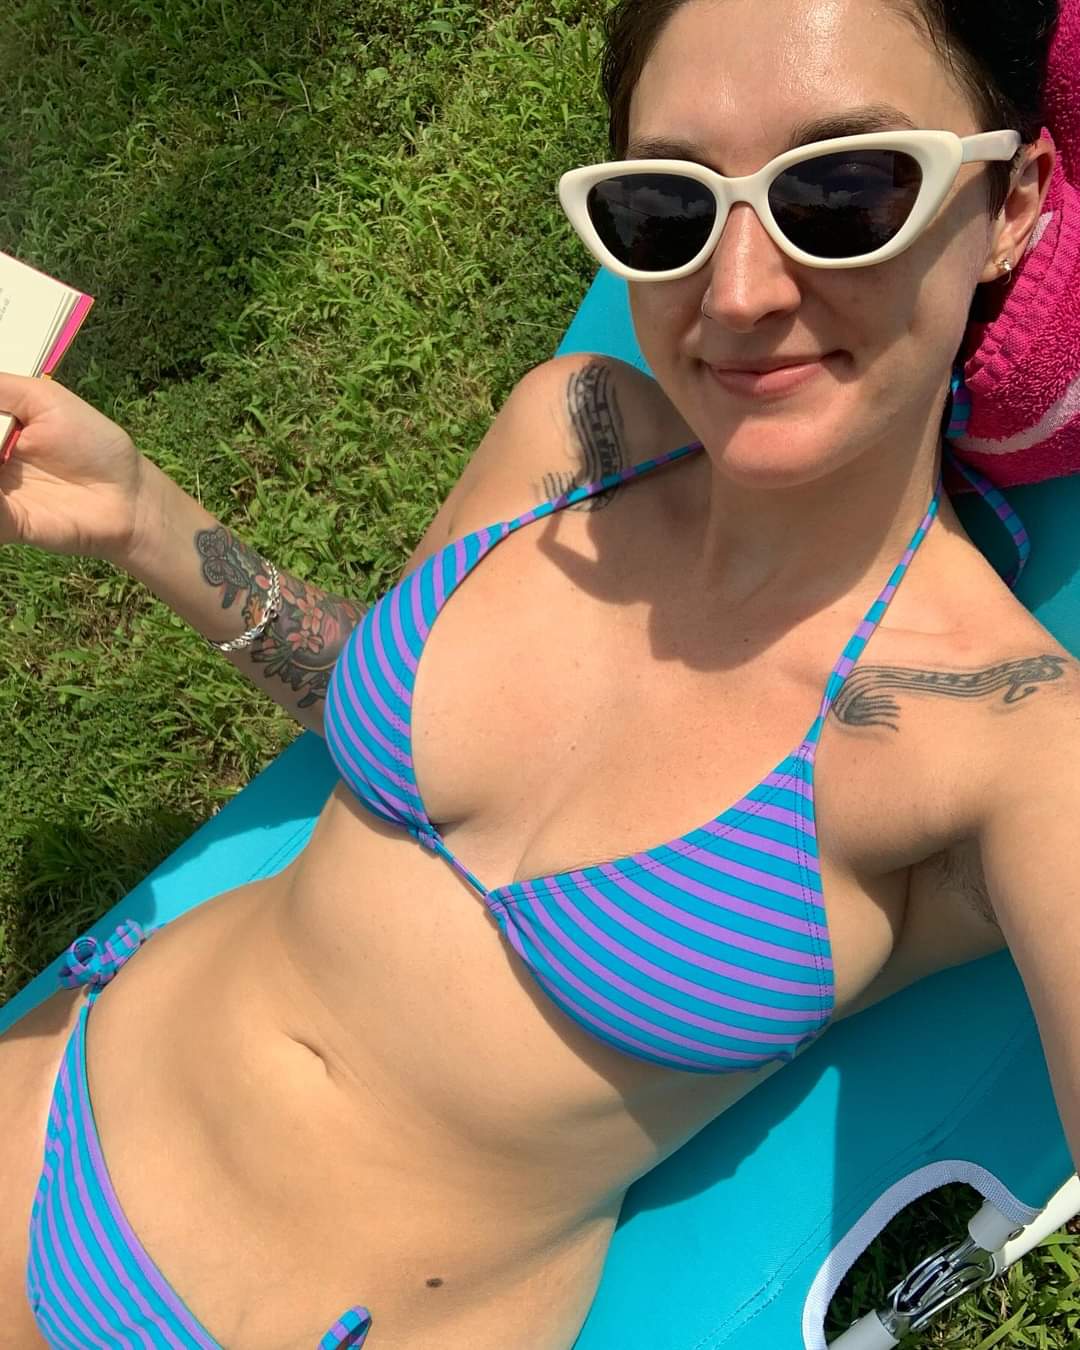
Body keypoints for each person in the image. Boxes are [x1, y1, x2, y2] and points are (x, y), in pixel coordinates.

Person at [1, 0, 1078, 1346]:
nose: (740, 291)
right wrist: (141, 517)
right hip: (57, 1076)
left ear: (1013, 202)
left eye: (845, 192)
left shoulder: (1008, 740)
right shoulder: (575, 433)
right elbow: (362, 701)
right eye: (669, 209)